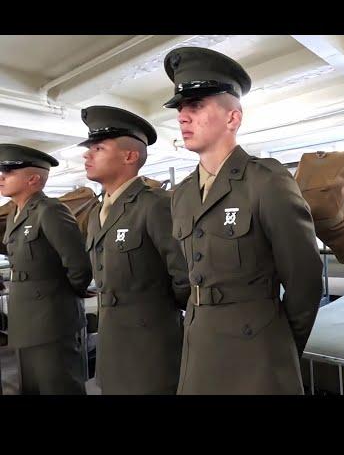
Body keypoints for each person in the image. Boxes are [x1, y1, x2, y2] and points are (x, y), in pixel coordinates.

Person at [163, 47, 323, 394]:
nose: (183, 118)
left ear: (233, 118)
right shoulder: (183, 193)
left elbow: (305, 282)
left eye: (196, 106)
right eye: (180, 110)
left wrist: (278, 345)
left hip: (257, 354)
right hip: (199, 349)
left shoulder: (266, 181)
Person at [81, 105, 190, 394]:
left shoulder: (155, 204)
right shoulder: (97, 213)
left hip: (151, 347)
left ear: (129, 156)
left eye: (98, 148)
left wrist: (156, 312)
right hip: (113, 346)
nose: (86, 155)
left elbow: (184, 276)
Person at [0, 144, 92, 394]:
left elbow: (79, 265)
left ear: (33, 179)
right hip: (23, 317)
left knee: (59, 385)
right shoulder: (14, 215)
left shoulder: (50, 210)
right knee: (32, 386)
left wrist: (61, 297)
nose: (1, 178)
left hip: (51, 319)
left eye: (8, 172)